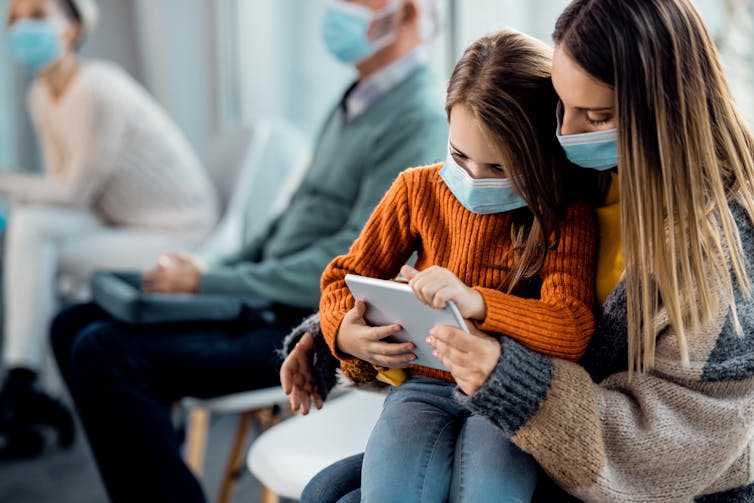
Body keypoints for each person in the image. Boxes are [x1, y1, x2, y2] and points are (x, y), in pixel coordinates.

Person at [282, 0, 754, 501]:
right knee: (328, 490)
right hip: (526, 420)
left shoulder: (717, 243)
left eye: (595, 116)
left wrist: (510, 379)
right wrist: (338, 329)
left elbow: (679, 445)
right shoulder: (584, 175)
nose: (565, 136)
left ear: (663, 109)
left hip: (630, 474)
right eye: (559, 107)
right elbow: (471, 278)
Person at [50, 0, 448, 501]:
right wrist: (210, 268)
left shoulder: (416, 115)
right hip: (259, 298)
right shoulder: (359, 97)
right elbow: (288, 222)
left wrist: (209, 284)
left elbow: (351, 261)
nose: (335, 10)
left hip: (300, 321)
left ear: (407, 13)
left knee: (103, 354)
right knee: (70, 324)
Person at [316, 29, 603, 502]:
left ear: (540, 157)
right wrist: (345, 337)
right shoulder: (417, 189)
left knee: (491, 491)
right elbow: (338, 282)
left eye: (498, 170)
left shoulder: (562, 212)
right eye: (458, 155)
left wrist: (477, 302)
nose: (471, 179)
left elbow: (572, 327)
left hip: (507, 395)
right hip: (421, 388)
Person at [0, 0, 219, 459]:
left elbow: (72, 190)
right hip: (120, 220)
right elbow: (61, 191)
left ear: (74, 29)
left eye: (38, 16)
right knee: (32, 230)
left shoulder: (97, 89)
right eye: (15, 18)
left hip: (177, 231)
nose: (23, 28)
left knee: (35, 238)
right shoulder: (40, 94)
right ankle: (28, 384)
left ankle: (27, 385)